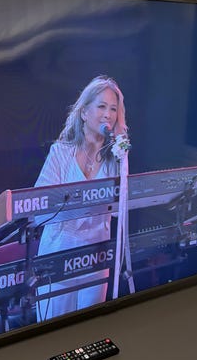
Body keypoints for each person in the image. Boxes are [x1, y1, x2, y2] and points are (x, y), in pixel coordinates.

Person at [34, 75, 128, 320]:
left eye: (113, 109)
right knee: (53, 329)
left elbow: (120, 211)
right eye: (102, 106)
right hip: (58, 255)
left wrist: (122, 158)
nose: (108, 115)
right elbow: (39, 207)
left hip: (96, 259)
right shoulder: (60, 153)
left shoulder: (115, 159)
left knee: (89, 327)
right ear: (84, 112)